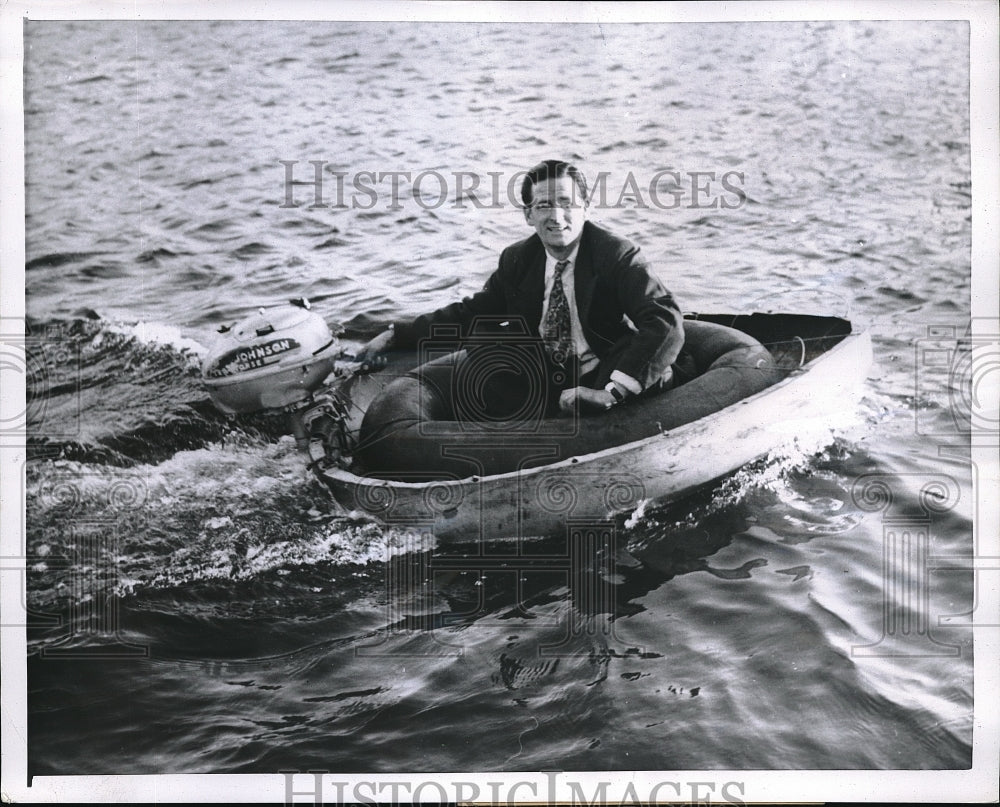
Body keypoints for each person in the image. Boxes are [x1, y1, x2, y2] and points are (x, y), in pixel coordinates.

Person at [356, 159, 685, 417]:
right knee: (486, 343)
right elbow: (471, 312)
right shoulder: (518, 259)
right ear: (528, 214)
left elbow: (664, 320)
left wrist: (610, 393)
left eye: (566, 203)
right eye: (543, 206)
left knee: (630, 380)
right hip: (549, 375)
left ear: (586, 208)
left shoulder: (615, 254)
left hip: (604, 367)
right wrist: (395, 335)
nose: (557, 217)